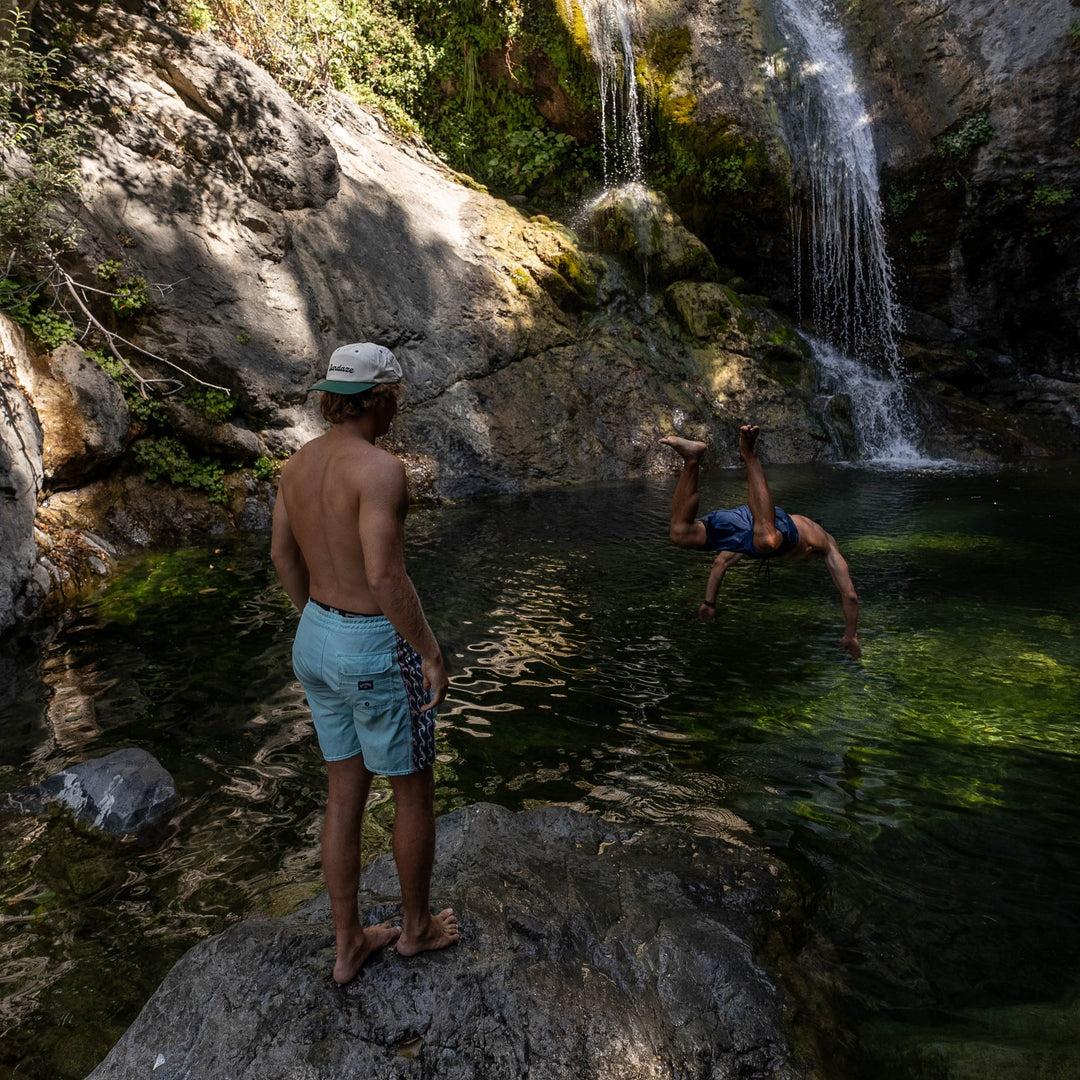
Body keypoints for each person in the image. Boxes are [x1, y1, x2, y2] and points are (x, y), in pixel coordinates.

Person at [271, 342, 459, 985]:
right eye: (392, 401)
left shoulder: (295, 466)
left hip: (315, 637)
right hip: (371, 643)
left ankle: (348, 942)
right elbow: (384, 577)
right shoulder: (380, 470)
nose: (394, 413)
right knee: (412, 790)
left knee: (343, 794)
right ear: (377, 400)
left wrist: (317, 623)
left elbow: (283, 558)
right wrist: (430, 652)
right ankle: (416, 929)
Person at [661, 425, 861, 659]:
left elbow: (721, 563)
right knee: (768, 540)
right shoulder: (825, 542)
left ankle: (692, 459)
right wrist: (851, 635)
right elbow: (850, 595)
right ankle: (750, 454)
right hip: (771, 524)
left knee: (681, 534)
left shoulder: (750, 545)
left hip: (748, 518)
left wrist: (709, 602)